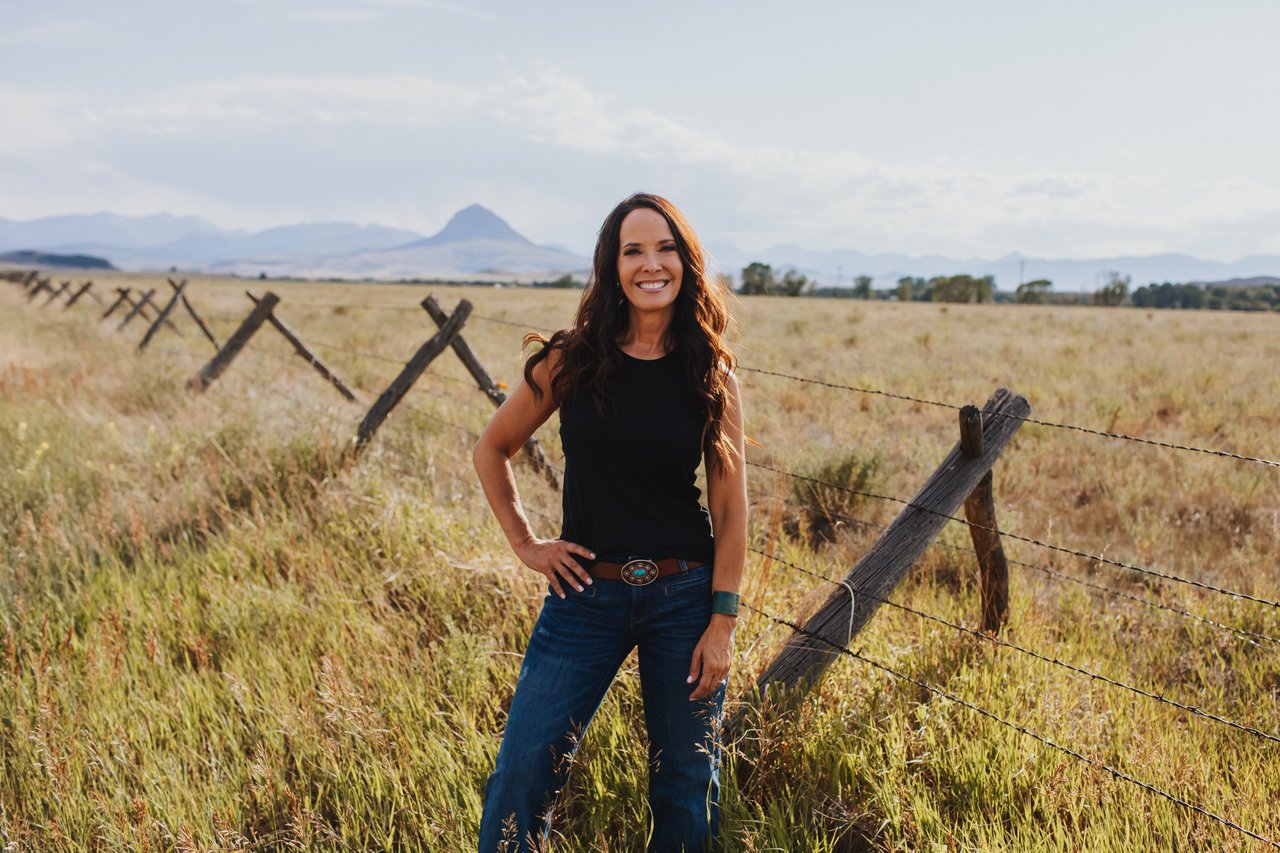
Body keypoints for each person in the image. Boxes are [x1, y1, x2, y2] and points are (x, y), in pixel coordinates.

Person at [472, 192, 748, 852]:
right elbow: (492, 448)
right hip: (583, 598)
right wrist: (526, 543)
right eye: (633, 251)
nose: (650, 264)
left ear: (686, 262)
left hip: (685, 598)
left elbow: (732, 508)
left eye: (665, 248)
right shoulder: (572, 358)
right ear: (612, 267)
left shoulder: (711, 373)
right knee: (521, 776)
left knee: (684, 782)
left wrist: (722, 621)